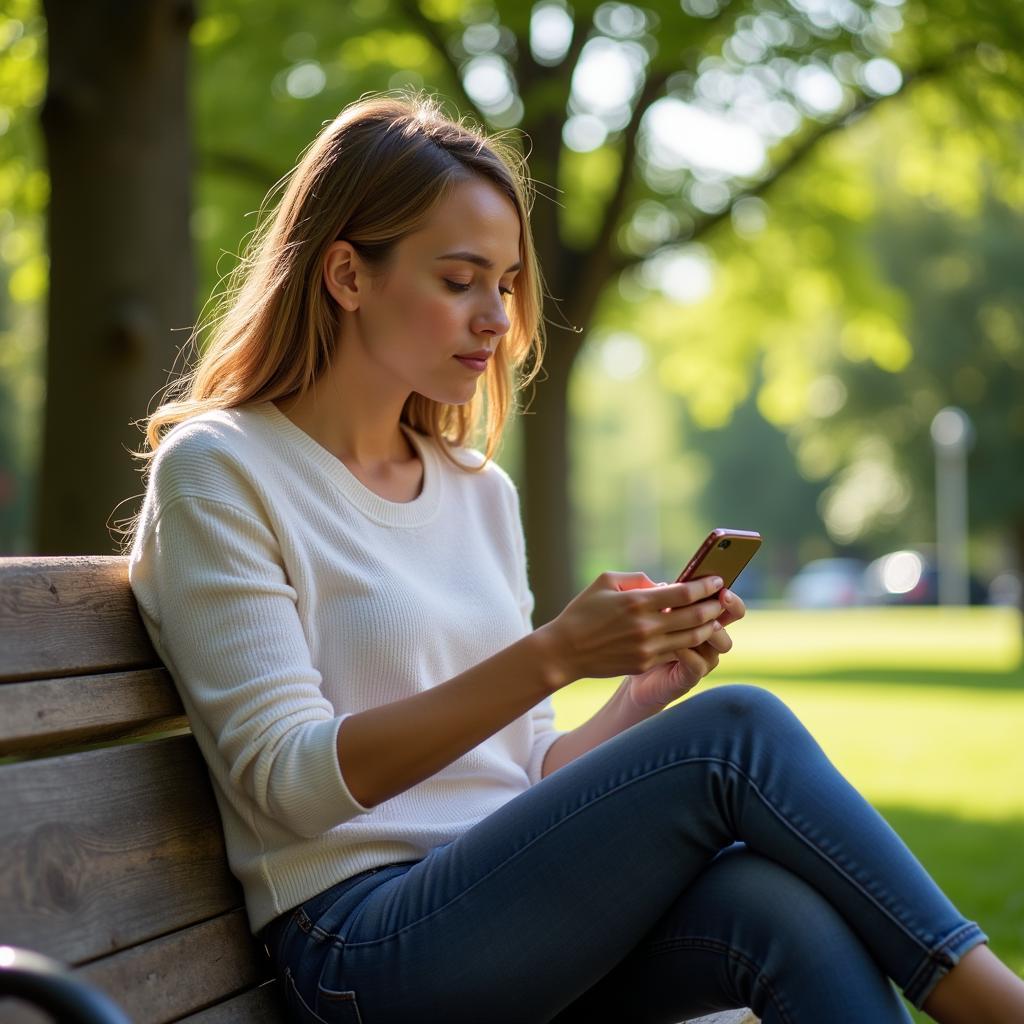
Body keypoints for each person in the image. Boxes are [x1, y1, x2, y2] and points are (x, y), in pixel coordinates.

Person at [122, 93, 1024, 1024]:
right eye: (460, 280)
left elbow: (524, 778)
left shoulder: (478, 491)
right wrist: (556, 653)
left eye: (506, 284)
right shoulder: (223, 470)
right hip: (361, 950)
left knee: (779, 909)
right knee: (739, 730)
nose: (495, 319)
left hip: (504, 912)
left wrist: (638, 699)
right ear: (348, 274)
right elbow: (292, 785)